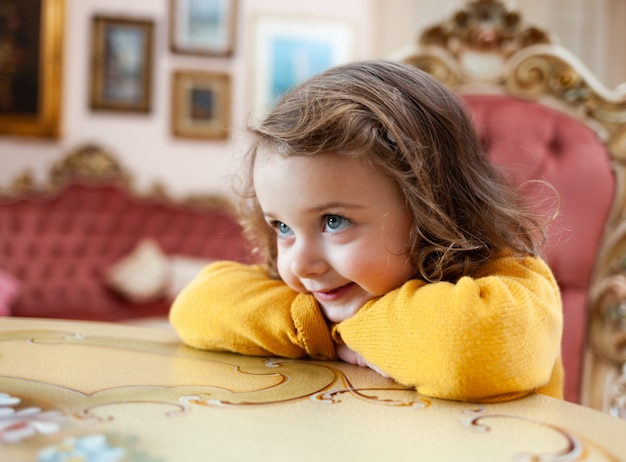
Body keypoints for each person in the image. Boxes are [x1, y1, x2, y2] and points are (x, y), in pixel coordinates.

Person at [169, 59, 563, 403]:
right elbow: (195, 306)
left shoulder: (511, 281)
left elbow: (469, 347)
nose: (300, 264)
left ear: (431, 208)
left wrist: (344, 330)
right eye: (283, 226)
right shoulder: (325, 291)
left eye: (334, 221)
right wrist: (325, 329)